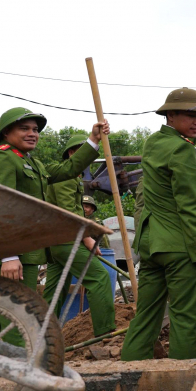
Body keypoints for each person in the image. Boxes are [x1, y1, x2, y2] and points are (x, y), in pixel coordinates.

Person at [0, 107, 109, 345]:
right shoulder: (1, 158)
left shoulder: (32, 163)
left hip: (25, 252)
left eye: (35, 130)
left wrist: (93, 140)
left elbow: (68, 169)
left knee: (16, 315)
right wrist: (7, 255)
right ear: (6, 133)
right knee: (13, 316)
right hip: (9, 251)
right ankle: (18, 372)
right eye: (24, 128)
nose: (33, 134)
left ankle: (9, 366)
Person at [121, 88, 196, 361]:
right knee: (187, 320)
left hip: (151, 245)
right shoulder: (183, 151)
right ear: (170, 115)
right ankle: (183, 382)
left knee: (146, 317)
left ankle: (130, 372)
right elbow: (189, 207)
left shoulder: (153, 142)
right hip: (179, 247)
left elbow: (180, 141)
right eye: (190, 115)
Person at [44, 135, 116, 337]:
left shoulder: (69, 177)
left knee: (55, 290)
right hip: (67, 240)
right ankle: (105, 333)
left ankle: (42, 332)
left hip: (56, 242)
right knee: (100, 278)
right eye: (81, 152)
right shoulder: (66, 177)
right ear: (71, 154)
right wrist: (87, 238)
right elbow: (71, 213)